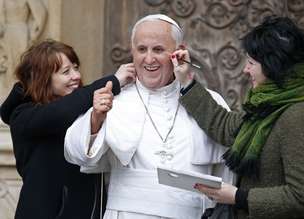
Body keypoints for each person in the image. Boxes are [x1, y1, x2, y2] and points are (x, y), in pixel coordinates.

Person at [64, 14, 234, 219]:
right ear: (132, 51)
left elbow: (227, 172)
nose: (149, 59)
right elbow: (77, 155)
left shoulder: (209, 101)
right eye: (142, 49)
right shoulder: (114, 102)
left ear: (179, 52)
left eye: (159, 49)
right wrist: (95, 120)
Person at [173, 16, 304, 219]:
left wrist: (238, 196)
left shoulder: (299, 118)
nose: (245, 70)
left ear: (273, 67)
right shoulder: (269, 109)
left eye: (251, 63)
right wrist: (185, 81)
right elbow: (225, 126)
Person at [0, 39, 135, 219]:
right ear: (43, 78)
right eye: (66, 72)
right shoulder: (23, 116)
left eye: (76, 68)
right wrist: (114, 81)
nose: (76, 76)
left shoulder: (83, 109)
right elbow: (60, 112)